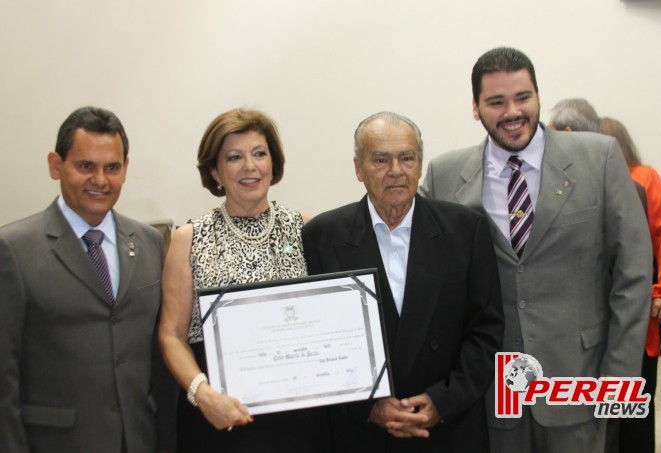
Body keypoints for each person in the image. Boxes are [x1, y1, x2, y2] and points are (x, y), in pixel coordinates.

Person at [420, 47, 652, 453]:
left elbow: (633, 273)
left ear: (538, 96)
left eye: (522, 97)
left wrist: (619, 381)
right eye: (496, 101)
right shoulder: (444, 175)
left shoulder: (599, 159)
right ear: (475, 108)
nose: (512, 111)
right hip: (495, 387)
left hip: (581, 380)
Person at [302, 111, 504, 452]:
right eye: (381, 159)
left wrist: (442, 400)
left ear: (420, 163)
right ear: (358, 168)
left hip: (450, 429)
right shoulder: (322, 236)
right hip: (362, 432)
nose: (396, 171)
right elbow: (315, 341)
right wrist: (368, 406)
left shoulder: (465, 229)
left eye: (406, 158)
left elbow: (486, 331)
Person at [0, 106, 174, 453]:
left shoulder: (151, 243)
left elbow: (159, 359)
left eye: (112, 167)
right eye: (85, 166)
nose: (100, 180)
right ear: (55, 165)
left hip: (139, 440)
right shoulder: (13, 250)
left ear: (126, 168)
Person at [158, 108, 330, 453]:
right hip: (219, 417)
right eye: (234, 157)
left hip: (299, 420)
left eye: (259, 154)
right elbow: (171, 335)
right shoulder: (189, 238)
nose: (250, 166)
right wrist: (202, 396)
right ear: (215, 172)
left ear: (273, 164)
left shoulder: (307, 229)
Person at [601, 116, 661, 453]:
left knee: (637, 384)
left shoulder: (644, 178)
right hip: (602, 304)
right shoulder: (593, 181)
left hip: (642, 302)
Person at [547, 98, 649, 214]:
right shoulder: (631, 189)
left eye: (551, 133)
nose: (546, 141)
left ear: (567, 133)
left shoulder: (558, 191)